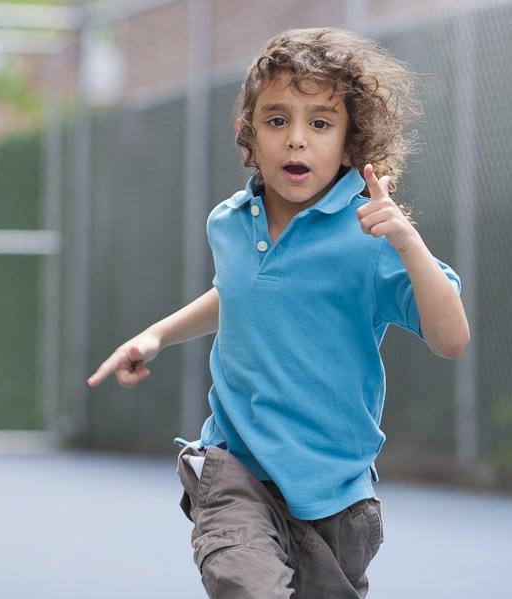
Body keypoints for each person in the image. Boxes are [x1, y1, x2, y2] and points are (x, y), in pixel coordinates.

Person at [87, 27, 470, 599]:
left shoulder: (372, 238)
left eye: (320, 123)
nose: (296, 139)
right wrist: (157, 335)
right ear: (248, 134)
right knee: (249, 586)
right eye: (276, 120)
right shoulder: (229, 222)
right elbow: (241, 295)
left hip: (335, 494)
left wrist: (409, 243)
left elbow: (451, 338)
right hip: (234, 468)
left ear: (351, 143)